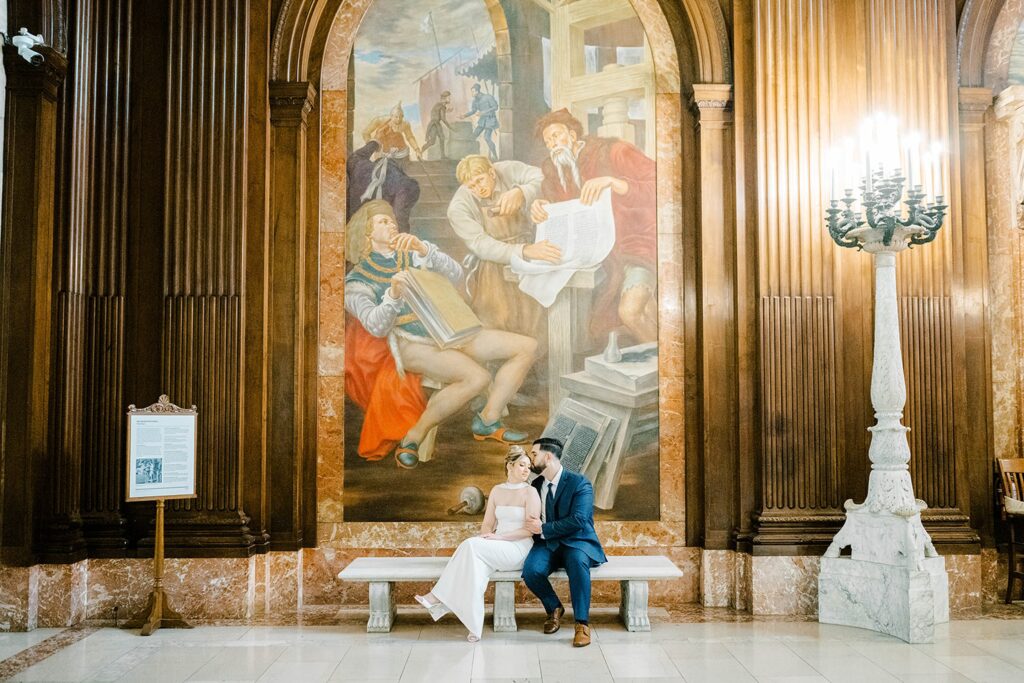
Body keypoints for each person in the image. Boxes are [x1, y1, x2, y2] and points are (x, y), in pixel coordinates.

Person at [343, 199, 538, 469]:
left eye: (392, 219)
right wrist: (393, 294)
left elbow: (456, 274)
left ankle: (488, 419)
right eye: (382, 221)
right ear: (366, 232)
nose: (392, 223)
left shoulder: (411, 253)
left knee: (527, 346)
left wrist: (424, 249)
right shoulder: (357, 280)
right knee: (477, 377)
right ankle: (413, 437)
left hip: (450, 330)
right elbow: (376, 326)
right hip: (412, 343)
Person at [530, 108, 658, 345]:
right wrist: (541, 207)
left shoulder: (612, 151)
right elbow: (559, 209)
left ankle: (664, 373)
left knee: (631, 312)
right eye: (548, 141)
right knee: (646, 314)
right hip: (600, 257)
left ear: (572, 134)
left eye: (556, 136)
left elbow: (662, 182)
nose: (553, 144)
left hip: (636, 245)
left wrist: (615, 182)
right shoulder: (554, 170)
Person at [415, 446, 542, 642]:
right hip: (496, 547)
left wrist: (498, 538)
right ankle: (474, 627)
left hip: (518, 548)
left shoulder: (530, 492)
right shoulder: (497, 491)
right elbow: (487, 524)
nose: (527, 470)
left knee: (470, 545)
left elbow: (530, 530)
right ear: (509, 466)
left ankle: (436, 598)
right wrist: (487, 537)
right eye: (522, 465)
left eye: (528, 466)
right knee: (475, 569)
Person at [448, 154, 559, 334]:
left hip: (531, 254)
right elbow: (481, 245)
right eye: (472, 186)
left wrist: (521, 192)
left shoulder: (508, 169)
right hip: (494, 265)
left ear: (491, 173)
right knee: (499, 316)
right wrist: (525, 251)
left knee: (536, 316)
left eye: (480, 180)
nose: (478, 189)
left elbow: (543, 178)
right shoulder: (458, 207)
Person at [522, 437, 607, 648]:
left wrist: (544, 528)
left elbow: (579, 519)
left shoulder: (580, 482)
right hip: (546, 544)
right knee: (531, 571)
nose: (531, 458)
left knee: (578, 564)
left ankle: (582, 624)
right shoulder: (536, 484)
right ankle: (554, 608)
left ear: (548, 456)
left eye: (534, 454)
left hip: (576, 541)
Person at [347, 139, 420, 233]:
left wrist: (374, 144)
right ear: (403, 162)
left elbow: (356, 156)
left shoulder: (359, 165)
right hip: (378, 238)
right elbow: (399, 217)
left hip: (352, 233)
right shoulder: (406, 184)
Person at [362, 102, 423, 167]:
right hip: (383, 153)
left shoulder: (405, 124)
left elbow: (410, 137)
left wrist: (417, 150)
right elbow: (365, 133)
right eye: (396, 117)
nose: (398, 119)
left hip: (401, 154)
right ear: (391, 116)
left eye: (400, 117)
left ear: (403, 116)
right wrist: (372, 146)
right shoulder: (379, 120)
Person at [461, 83, 499, 160]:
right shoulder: (475, 101)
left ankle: (495, 156)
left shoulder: (488, 97)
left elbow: (495, 107)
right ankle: (470, 157)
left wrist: (483, 112)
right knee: (472, 136)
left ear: (477, 91)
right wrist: (464, 115)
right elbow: (473, 111)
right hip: (482, 121)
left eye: (473, 91)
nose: (472, 93)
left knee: (487, 138)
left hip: (490, 120)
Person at [421, 91, 452, 159]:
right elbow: (443, 119)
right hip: (434, 125)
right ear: (444, 98)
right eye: (449, 98)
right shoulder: (442, 106)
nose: (450, 99)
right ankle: (421, 151)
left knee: (442, 138)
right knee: (432, 141)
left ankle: (443, 156)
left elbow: (438, 114)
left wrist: (447, 111)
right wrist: (451, 127)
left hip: (435, 124)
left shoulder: (439, 105)